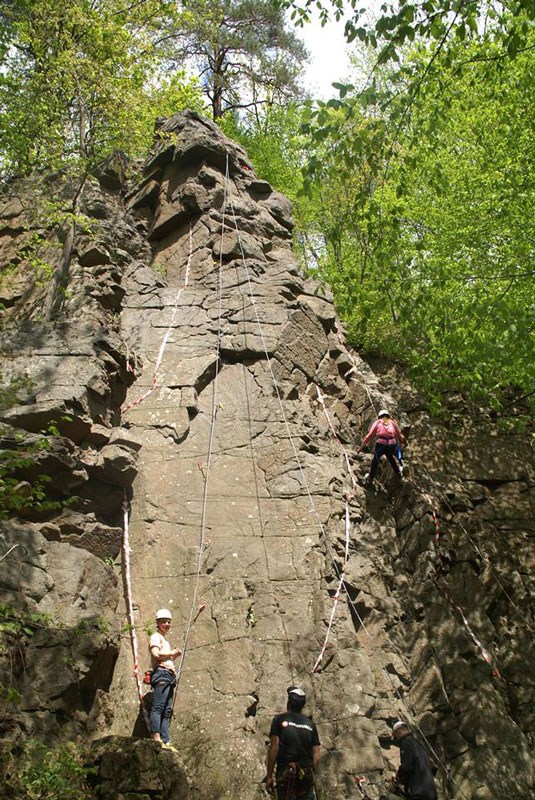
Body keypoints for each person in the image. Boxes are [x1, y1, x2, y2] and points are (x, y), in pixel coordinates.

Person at [265, 686, 320, 799]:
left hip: (287, 772)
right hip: (306, 773)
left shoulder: (279, 720)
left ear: (288, 703)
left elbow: (274, 748)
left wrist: (269, 776)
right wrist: (313, 775)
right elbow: (316, 756)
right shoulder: (311, 725)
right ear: (302, 706)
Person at [148, 608, 181, 749]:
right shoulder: (155, 636)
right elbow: (155, 654)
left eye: (168, 622)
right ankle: (156, 738)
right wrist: (171, 653)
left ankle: (166, 740)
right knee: (158, 707)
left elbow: (164, 656)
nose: (166, 624)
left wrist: (173, 656)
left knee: (167, 710)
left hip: (168, 675)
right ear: (158, 623)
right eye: (163, 622)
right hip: (161, 673)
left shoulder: (164, 640)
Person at [357, 409, 405, 486]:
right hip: (391, 444)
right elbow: (399, 436)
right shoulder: (392, 423)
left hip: (381, 445)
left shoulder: (378, 422)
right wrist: (402, 443)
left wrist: (361, 448)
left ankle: (370, 478)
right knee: (390, 457)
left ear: (379, 416)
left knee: (375, 461)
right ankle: (399, 471)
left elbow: (369, 436)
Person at [391, 721, 438, 800]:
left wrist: (398, 777)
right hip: (431, 791)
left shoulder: (406, 743)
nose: (396, 738)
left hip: (418, 792)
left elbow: (407, 767)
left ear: (398, 731)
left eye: (395, 735)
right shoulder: (418, 743)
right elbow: (431, 766)